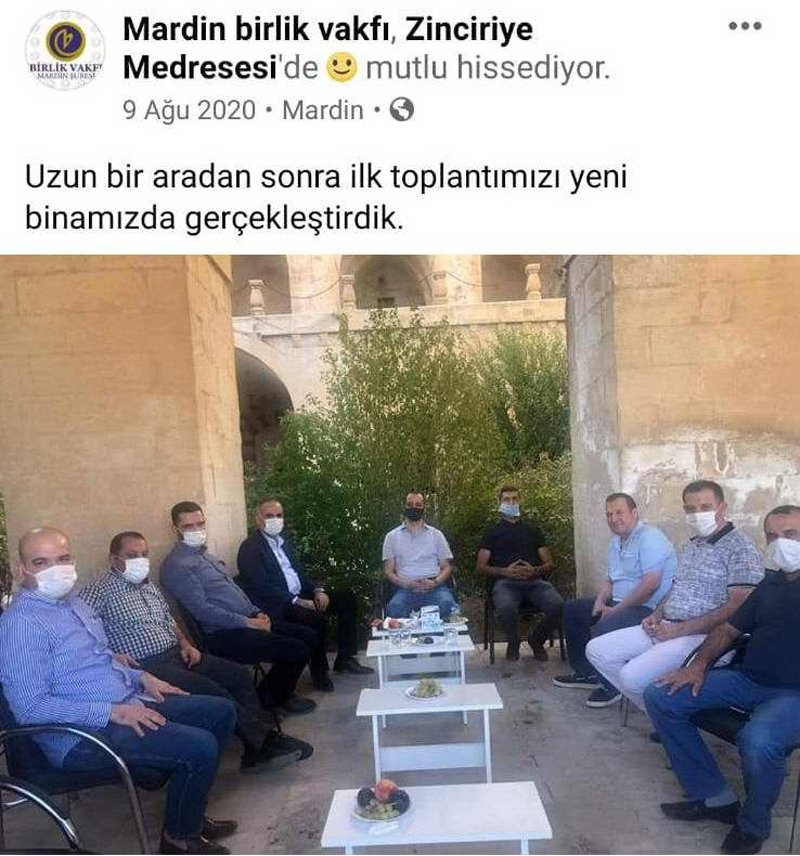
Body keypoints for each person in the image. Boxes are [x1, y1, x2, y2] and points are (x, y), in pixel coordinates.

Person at [0, 527, 238, 855]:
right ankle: (179, 839)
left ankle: (189, 813)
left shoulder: (73, 604)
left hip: (127, 700)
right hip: (82, 735)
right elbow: (30, 707)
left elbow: (101, 660)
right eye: (41, 562)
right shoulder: (22, 624)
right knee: (199, 747)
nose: (56, 569)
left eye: (63, 558)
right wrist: (113, 712)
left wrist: (141, 677)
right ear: (21, 567)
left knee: (219, 712)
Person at [81, 530, 312, 771]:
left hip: (178, 652)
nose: (140, 560)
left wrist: (185, 643)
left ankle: (254, 747)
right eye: (131, 555)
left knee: (236, 675)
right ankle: (264, 742)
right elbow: (80, 630)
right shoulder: (99, 590)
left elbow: (169, 620)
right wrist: (110, 655)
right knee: (212, 689)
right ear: (114, 559)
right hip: (147, 665)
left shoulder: (148, 586)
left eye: (144, 554)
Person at [644, 505, 800, 856]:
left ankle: (753, 824)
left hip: (794, 695)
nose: (781, 543)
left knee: (758, 740)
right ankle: (714, 797)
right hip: (748, 681)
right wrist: (698, 666)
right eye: (773, 536)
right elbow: (728, 629)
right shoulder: (770, 583)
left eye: (791, 535)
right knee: (661, 695)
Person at [586, 480, 763, 711]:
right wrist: (656, 615)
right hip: (667, 627)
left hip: (705, 638)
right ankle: (660, 713)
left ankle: (665, 713)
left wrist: (680, 630)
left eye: (705, 507)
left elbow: (739, 607)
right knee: (597, 650)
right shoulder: (692, 546)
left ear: (723, 507)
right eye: (690, 509)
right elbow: (676, 588)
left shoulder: (741, 548)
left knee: (630, 677)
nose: (697, 514)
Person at [160, 501, 316, 715]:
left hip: (248, 620)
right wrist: (248, 622)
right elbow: (202, 610)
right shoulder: (178, 566)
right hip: (224, 634)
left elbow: (234, 592)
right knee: (296, 649)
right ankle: (268, 702)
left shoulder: (206, 556)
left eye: (200, 524)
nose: (197, 530)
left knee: (307, 636)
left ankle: (274, 694)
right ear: (175, 528)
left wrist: (257, 612)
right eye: (188, 526)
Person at [553, 492, 677, 706]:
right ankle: (585, 673)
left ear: (634, 513)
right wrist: (600, 602)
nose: (614, 518)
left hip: (649, 609)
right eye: (609, 514)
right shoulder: (616, 542)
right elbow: (611, 579)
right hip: (619, 603)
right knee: (573, 609)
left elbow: (651, 584)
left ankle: (611, 686)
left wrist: (615, 611)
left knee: (606, 622)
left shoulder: (649, 537)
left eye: (619, 512)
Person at [236, 499, 373, 692]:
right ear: (258, 519)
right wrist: (296, 600)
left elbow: (299, 572)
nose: (275, 520)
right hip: (279, 604)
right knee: (315, 619)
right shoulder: (250, 548)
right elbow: (260, 586)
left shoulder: (284, 543)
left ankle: (345, 659)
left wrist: (318, 590)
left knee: (346, 598)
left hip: (301, 595)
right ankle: (319, 672)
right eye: (269, 516)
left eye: (279, 515)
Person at [477, 485, 562, 662]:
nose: (511, 502)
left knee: (559, 606)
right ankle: (514, 642)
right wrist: (506, 571)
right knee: (506, 608)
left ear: (520, 501)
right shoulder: (492, 532)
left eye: (515, 499)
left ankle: (536, 640)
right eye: (507, 499)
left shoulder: (532, 530)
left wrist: (535, 570)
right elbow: (481, 566)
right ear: (500, 503)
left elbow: (549, 563)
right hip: (505, 583)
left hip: (534, 582)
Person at [382, 491, 458, 619]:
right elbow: (388, 571)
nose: (414, 508)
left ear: (424, 508)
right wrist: (407, 584)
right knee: (394, 609)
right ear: (404, 507)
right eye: (410, 504)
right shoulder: (391, 537)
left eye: (418, 505)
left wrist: (435, 582)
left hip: (435, 587)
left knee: (448, 605)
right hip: (405, 589)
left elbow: (447, 567)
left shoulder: (436, 535)